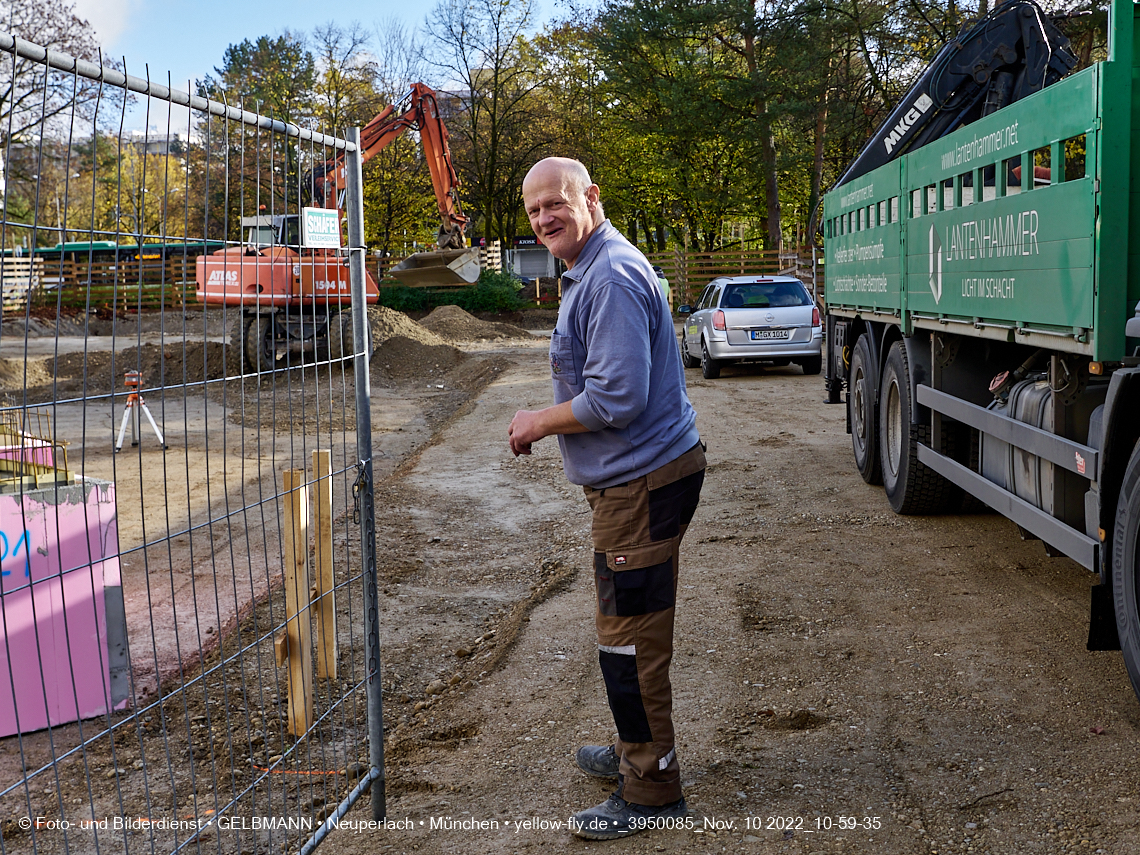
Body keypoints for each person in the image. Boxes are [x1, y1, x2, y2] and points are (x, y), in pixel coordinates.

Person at [508, 157, 705, 840]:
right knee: (622, 628)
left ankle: (651, 785)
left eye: (555, 204)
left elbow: (617, 397)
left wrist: (538, 420)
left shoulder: (613, 276)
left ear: (591, 196)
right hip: (633, 481)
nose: (544, 219)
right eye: (534, 212)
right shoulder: (591, 269)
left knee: (630, 641)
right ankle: (633, 749)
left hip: (642, 483)